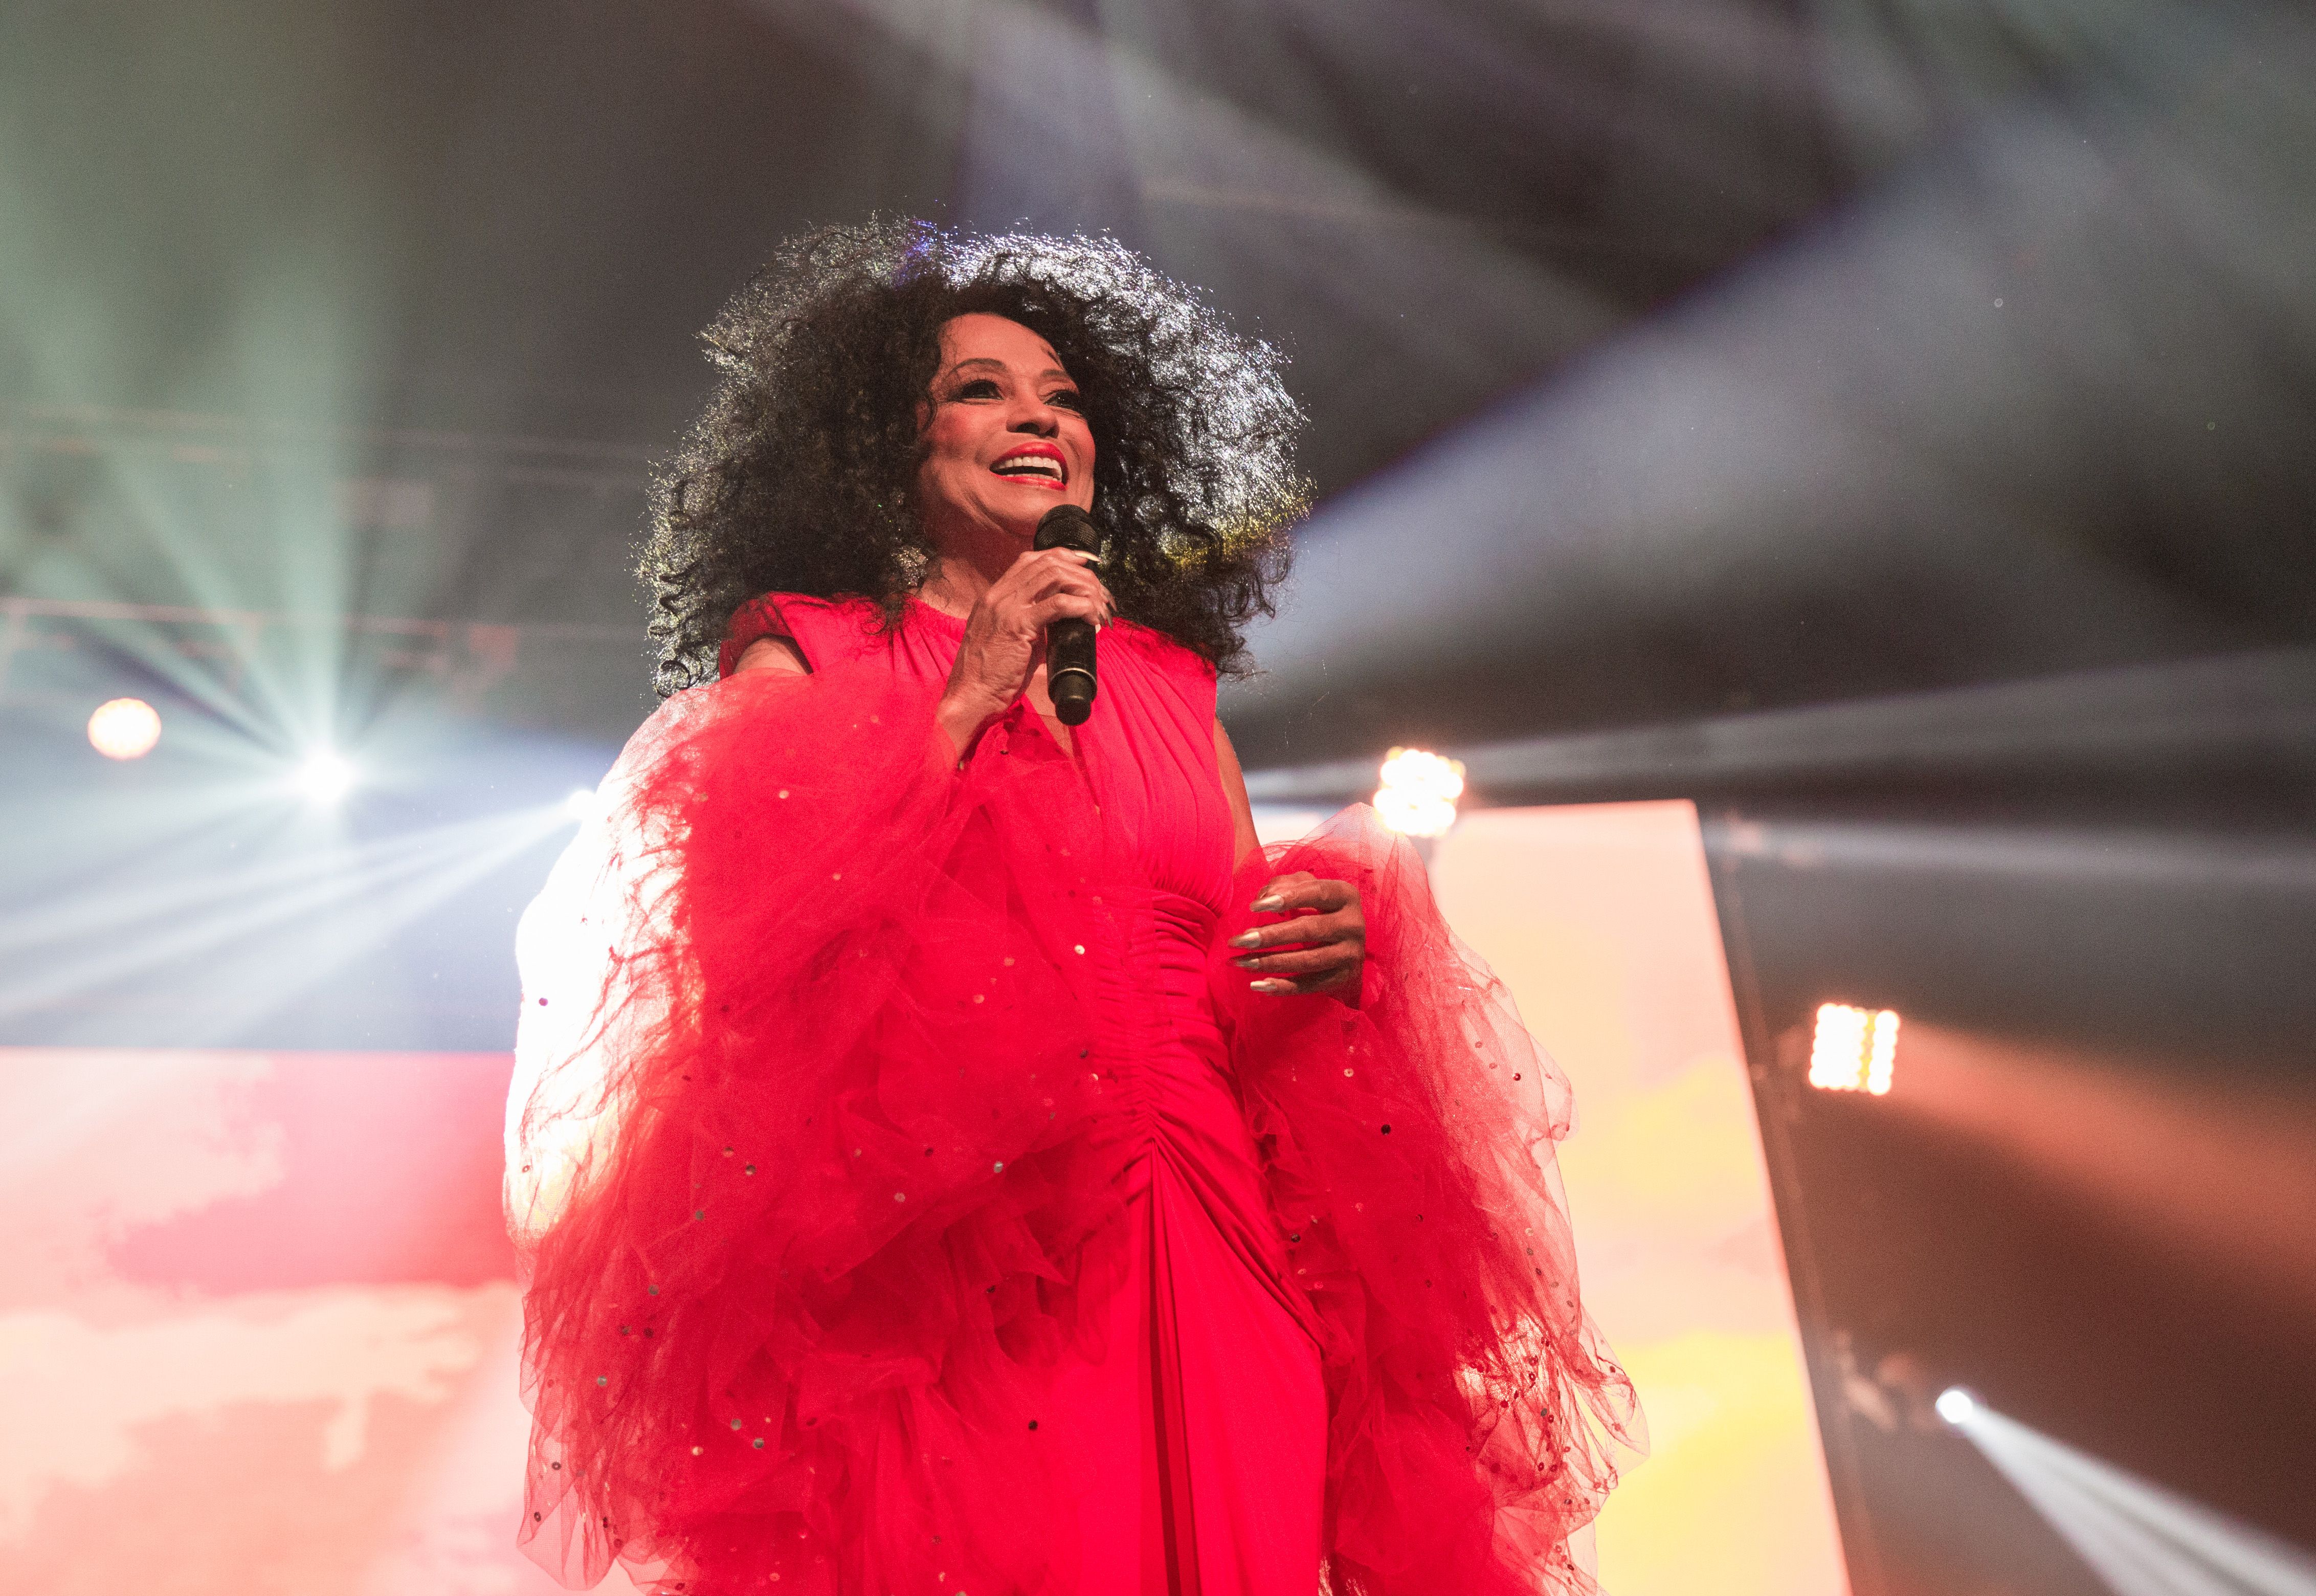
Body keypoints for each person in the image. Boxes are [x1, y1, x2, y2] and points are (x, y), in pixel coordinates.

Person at [504, 221, 1640, 1596]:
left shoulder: (1169, 686)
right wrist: (967, 696)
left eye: (1063, 396)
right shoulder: (807, 646)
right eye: (981, 388)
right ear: (887, 445)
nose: (1038, 415)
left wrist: (1325, 965)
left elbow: (1232, 971)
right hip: (966, 1256)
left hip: (1215, 1222)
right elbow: (751, 949)